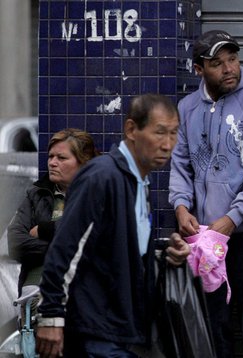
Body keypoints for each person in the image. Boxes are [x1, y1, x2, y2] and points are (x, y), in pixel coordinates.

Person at [35, 94, 190, 358]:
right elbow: (65, 249)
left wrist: (165, 259)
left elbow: (123, 251)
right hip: (96, 331)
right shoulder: (101, 177)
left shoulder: (139, 182)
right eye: (160, 133)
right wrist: (51, 316)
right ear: (131, 130)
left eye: (174, 134)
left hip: (125, 331)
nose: (168, 144)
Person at [169, 30, 243, 357]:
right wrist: (180, 206)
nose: (229, 68)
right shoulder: (188, 107)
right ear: (199, 69)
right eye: (217, 63)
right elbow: (180, 166)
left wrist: (233, 219)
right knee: (211, 322)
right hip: (205, 238)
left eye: (232, 59)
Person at [8, 128, 98, 296]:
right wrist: (63, 247)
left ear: (83, 162)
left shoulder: (95, 194)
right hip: (36, 291)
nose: (52, 163)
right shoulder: (37, 193)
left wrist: (44, 230)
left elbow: (94, 237)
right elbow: (15, 242)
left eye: (61, 158)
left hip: (83, 292)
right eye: (51, 156)